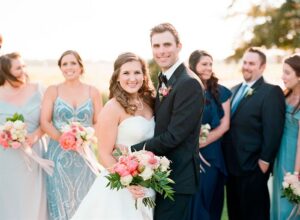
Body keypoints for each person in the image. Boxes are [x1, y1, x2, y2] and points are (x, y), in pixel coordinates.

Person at [131, 23, 204, 220]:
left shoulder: (188, 83)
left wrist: (132, 150)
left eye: (167, 45)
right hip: (161, 174)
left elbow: (174, 136)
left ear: (179, 46)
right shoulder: (166, 78)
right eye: (156, 46)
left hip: (177, 178)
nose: (161, 51)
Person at [71, 52, 156, 220]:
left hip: (148, 181)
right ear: (117, 77)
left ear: (144, 76)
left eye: (137, 72)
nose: (132, 78)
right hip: (121, 187)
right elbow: (103, 153)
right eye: (126, 73)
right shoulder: (113, 107)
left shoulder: (150, 102)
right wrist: (128, 181)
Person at [222, 47, 286, 220]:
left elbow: (273, 130)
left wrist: (264, 163)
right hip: (231, 168)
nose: (247, 66)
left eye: (252, 63)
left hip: (253, 168)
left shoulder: (271, 92)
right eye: (245, 62)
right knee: (235, 214)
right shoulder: (233, 90)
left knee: (254, 215)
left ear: (262, 67)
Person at [40, 50, 102, 220]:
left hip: (85, 155)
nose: (69, 67)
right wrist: (65, 139)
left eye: (73, 63)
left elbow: (98, 122)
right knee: (59, 199)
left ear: (81, 66)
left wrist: (84, 138)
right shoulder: (53, 91)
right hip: (58, 156)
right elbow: (45, 122)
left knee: (86, 198)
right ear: (60, 68)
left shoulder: (93, 92)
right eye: (64, 64)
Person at [0, 52, 47, 220]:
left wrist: (36, 135)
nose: (24, 70)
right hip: (6, 158)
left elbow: (48, 121)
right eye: (18, 67)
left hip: (35, 154)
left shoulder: (39, 89)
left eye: (24, 66)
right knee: (9, 201)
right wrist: (5, 135)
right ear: (6, 71)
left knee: (34, 200)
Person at [188, 50, 231, 220]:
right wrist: (192, 147)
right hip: (190, 155)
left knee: (210, 199)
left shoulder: (222, 92)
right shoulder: (187, 89)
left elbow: (225, 125)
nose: (208, 68)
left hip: (212, 154)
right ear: (193, 66)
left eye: (210, 64)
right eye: (204, 64)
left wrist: (201, 143)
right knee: (194, 202)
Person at [271, 54, 300, 220]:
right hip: (279, 156)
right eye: (283, 72)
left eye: (287, 73)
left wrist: (296, 175)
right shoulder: (284, 96)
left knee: (288, 207)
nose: (283, 77)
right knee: (277, 202)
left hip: (294, 159)